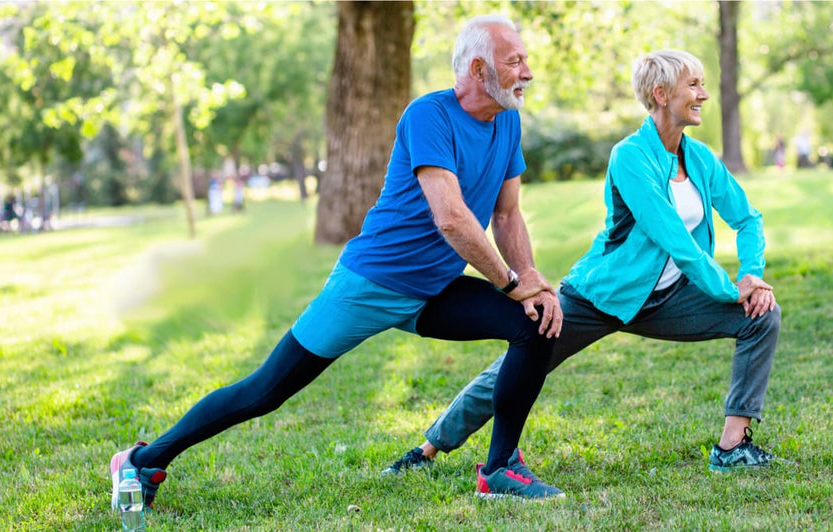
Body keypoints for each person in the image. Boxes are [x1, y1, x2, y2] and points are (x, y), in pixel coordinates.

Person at [108, 14, 572, 507]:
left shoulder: (508, 121)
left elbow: (507, 214)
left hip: (435, 290)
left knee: (536, 324)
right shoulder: (428, 116)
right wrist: (508, 282)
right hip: (372, 283)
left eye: (525, 60)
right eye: (515, 61)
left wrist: (534, 284)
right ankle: (143, 460)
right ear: (479, 70)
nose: (527, 72)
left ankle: (499, 468)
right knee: (265, 390)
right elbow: (453, 219)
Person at [382, 49, 783, 476]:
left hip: (668, 299)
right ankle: (428, 447)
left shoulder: (700, 158)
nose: (703, 94)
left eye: (703, 84)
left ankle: (732, 445)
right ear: (662, 93)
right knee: (518, 365)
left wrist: (752, 275)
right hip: (600, 296)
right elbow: (675, 239)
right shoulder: (630, 157)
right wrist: (727, 289)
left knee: (761, 317)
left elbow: (748, 219)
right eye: (694, 85)